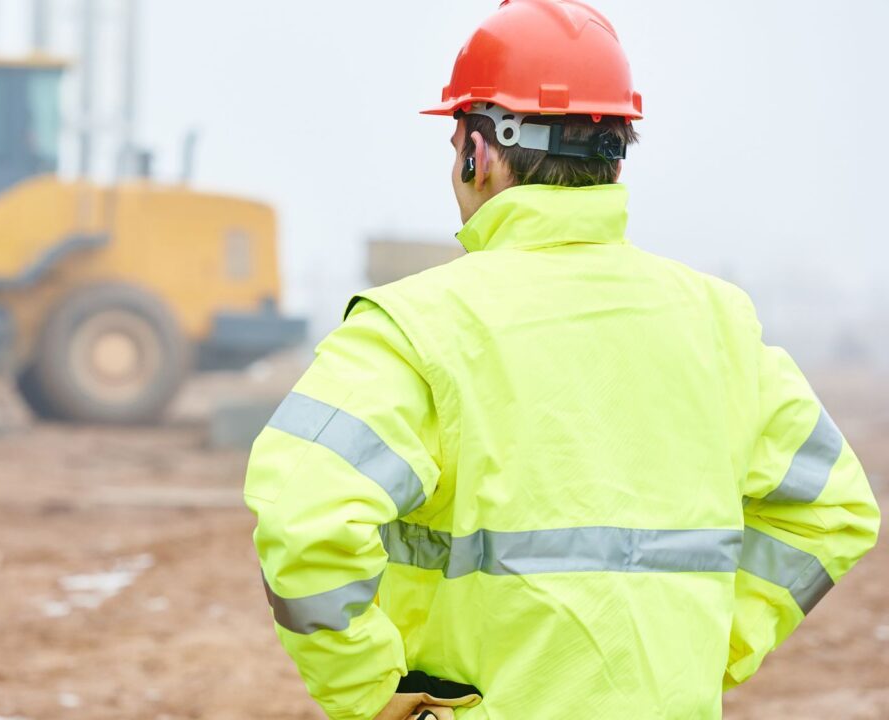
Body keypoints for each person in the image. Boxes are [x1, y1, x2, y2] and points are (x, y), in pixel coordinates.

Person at [242, 1, 881, 718]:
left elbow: (304, 517)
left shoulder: (414, 329)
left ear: (476, 153)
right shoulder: (720, 324)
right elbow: (832, 507)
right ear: (615, 155)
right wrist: (706, 649)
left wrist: (368, 693)